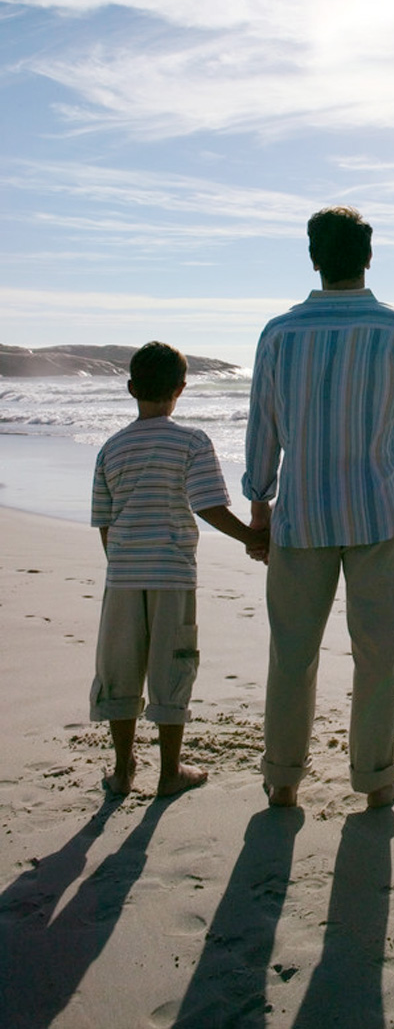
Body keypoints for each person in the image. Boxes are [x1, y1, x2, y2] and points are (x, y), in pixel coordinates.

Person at [243, 206, 394, 810]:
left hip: (301, 516)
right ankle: (376, 778)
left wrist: (259, 503)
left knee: (292, 652)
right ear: (369, 258)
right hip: (375, 513)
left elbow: (262, 427)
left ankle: (283, 778)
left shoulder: (279, 333)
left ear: (313, 258)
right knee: (376, 652)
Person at [90, 341, 268, 798]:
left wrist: (122, 563)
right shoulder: (190, 441)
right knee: (173, 666)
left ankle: (123, 768)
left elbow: (104, 522)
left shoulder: (110, 447)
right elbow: (207, 504)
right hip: (171, 573)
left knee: (120, 668)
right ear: (181, 390)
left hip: (123, 576)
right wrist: (252, 537)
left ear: (131, 388)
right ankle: (170, 771)